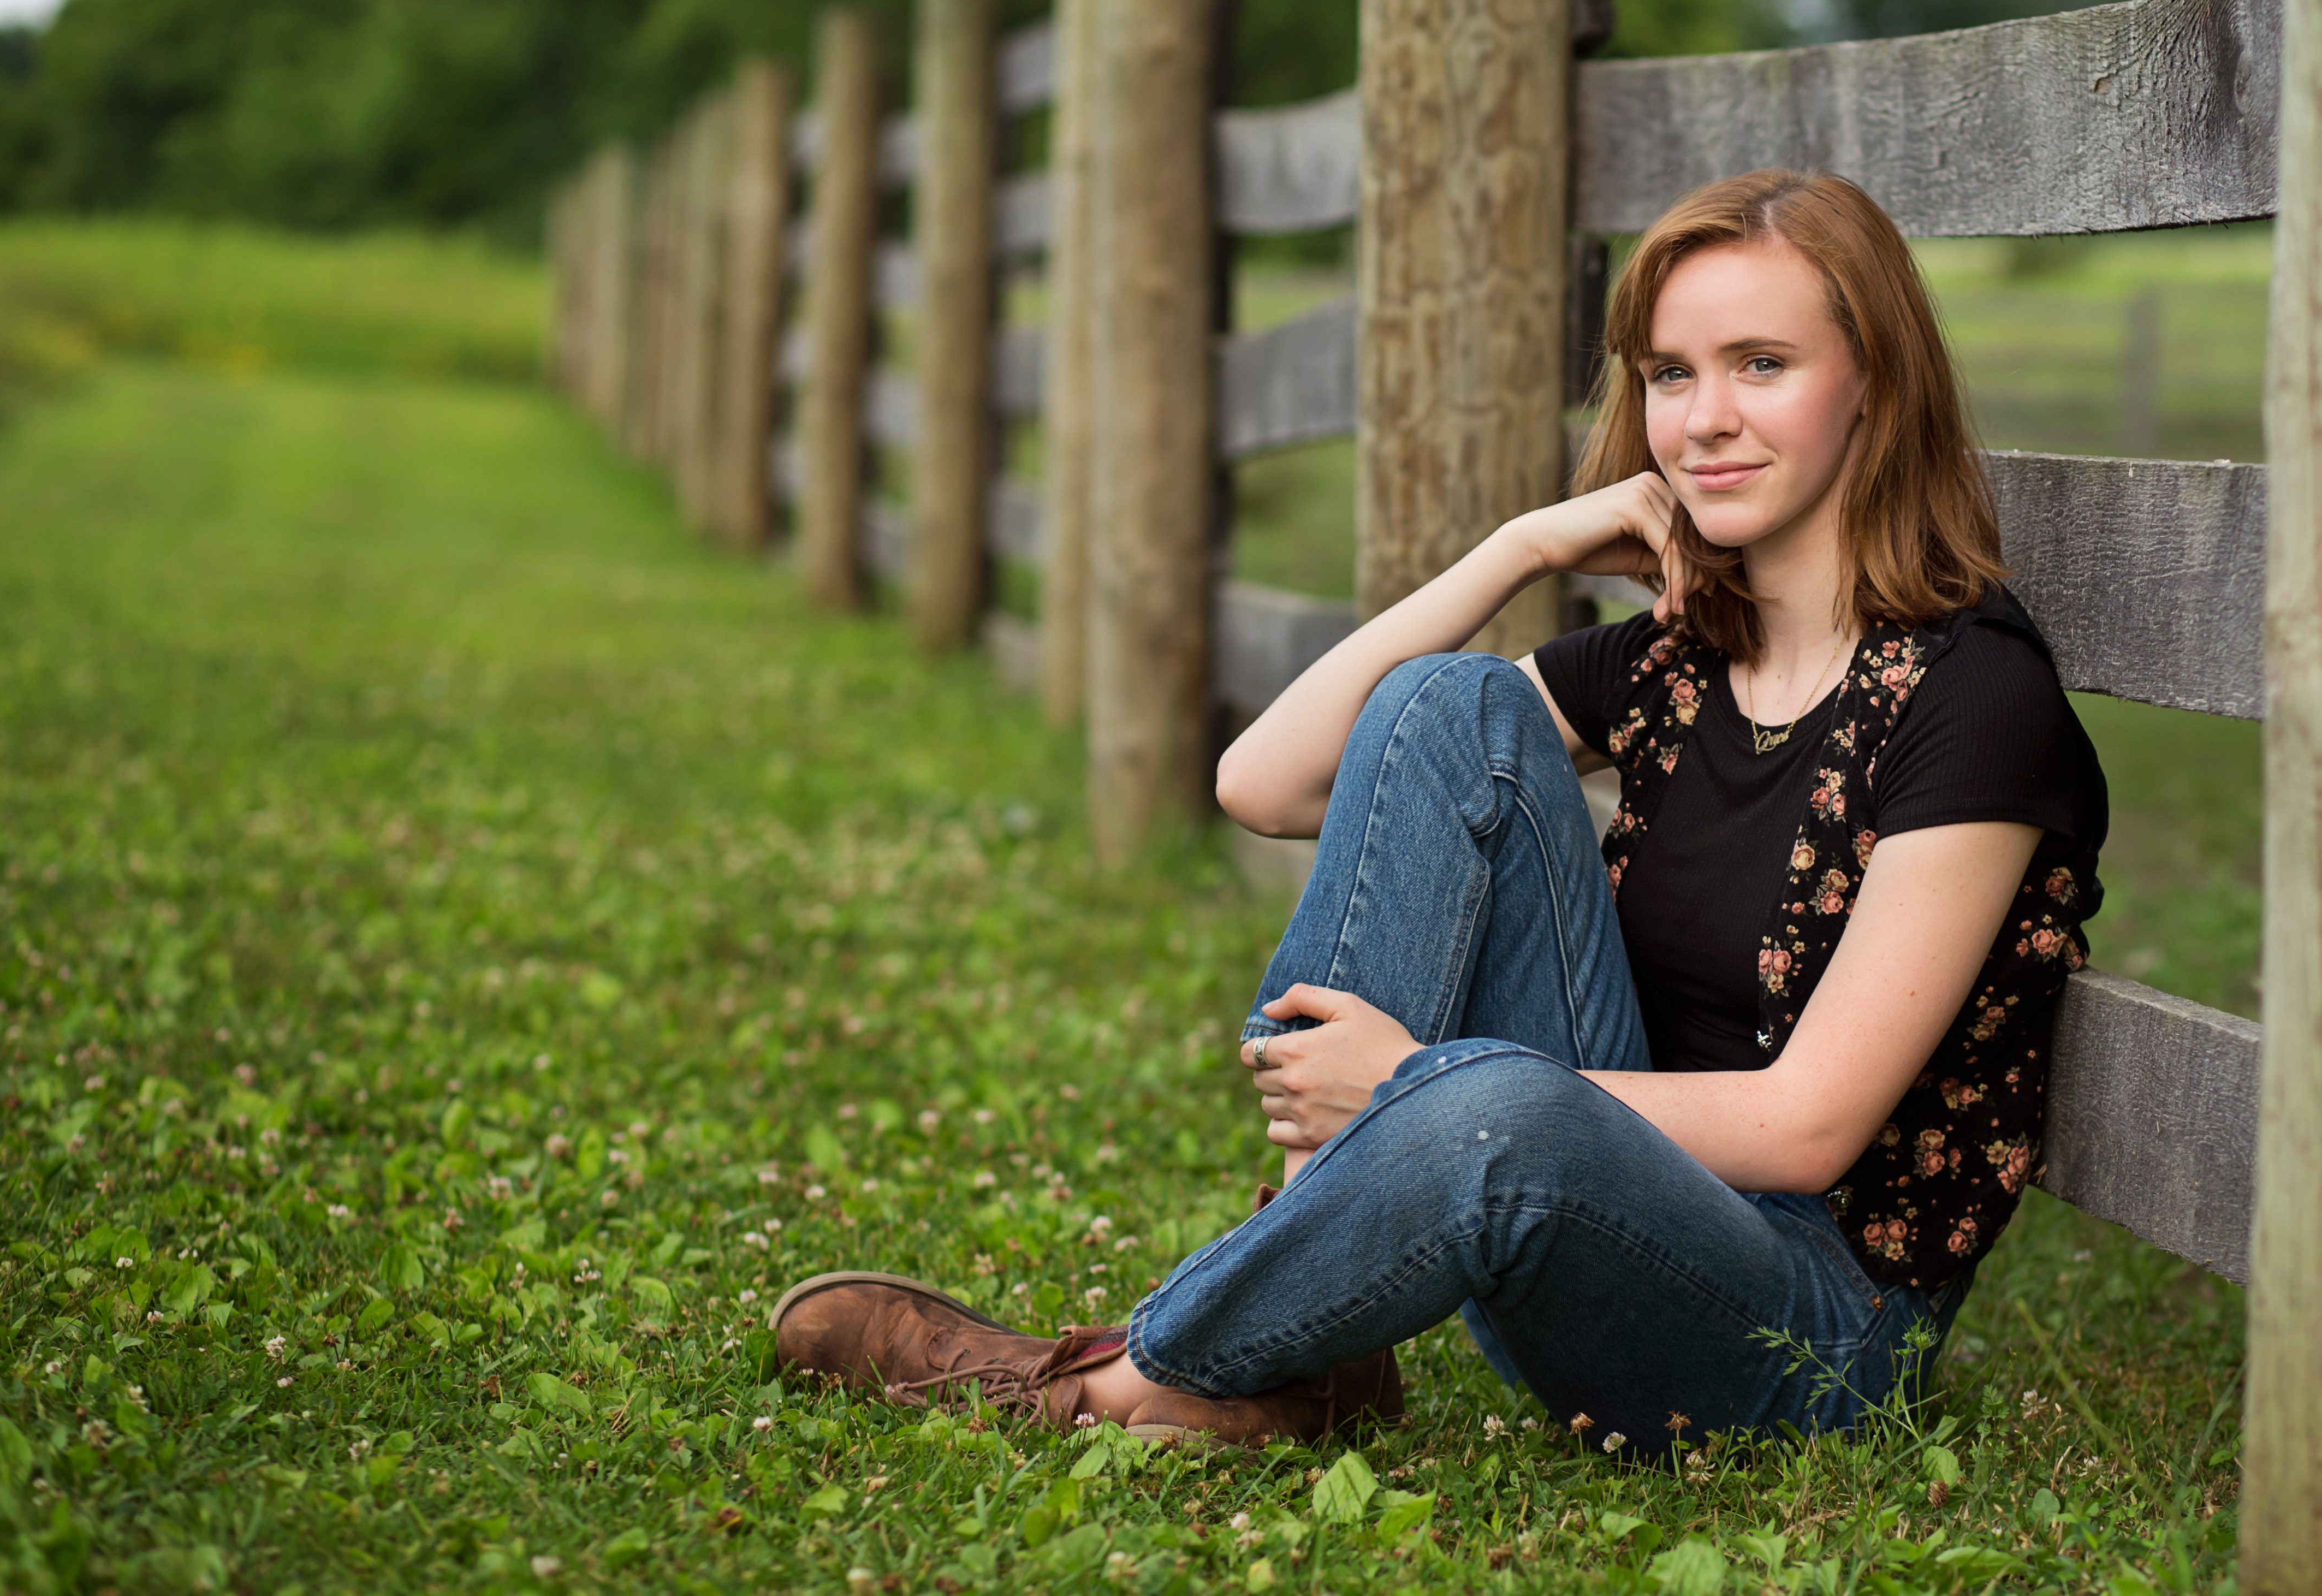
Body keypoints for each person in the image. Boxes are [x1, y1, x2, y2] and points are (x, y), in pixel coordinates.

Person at [768, 169, 2107, 1452]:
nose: (1703, 418)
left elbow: (1811, 1125)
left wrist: (1413, 1089)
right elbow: (1264, 782)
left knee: (1507, 1111)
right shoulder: (1675, 661)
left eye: (1763, 364)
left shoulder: (1973, 697)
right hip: (1595, 1218)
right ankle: (1308, 1337)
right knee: (1442, 705)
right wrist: (1519, 546)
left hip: (1810, 1331)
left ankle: (1134, 1377)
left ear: (1873, 384)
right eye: (1669, 373)